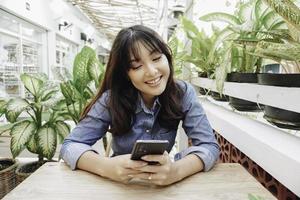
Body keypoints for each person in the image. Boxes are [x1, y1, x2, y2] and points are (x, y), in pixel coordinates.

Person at [60, 25, 220, 186]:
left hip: (162, 188)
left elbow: (209, 146)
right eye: (136, 66)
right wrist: (107, 167)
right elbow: (70, 146)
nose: (151, 72)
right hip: (119, 187)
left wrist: (176, 171)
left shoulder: (183, 93)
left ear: (167, 57)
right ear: (126, 74)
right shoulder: (111, 99)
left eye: (157, 58)